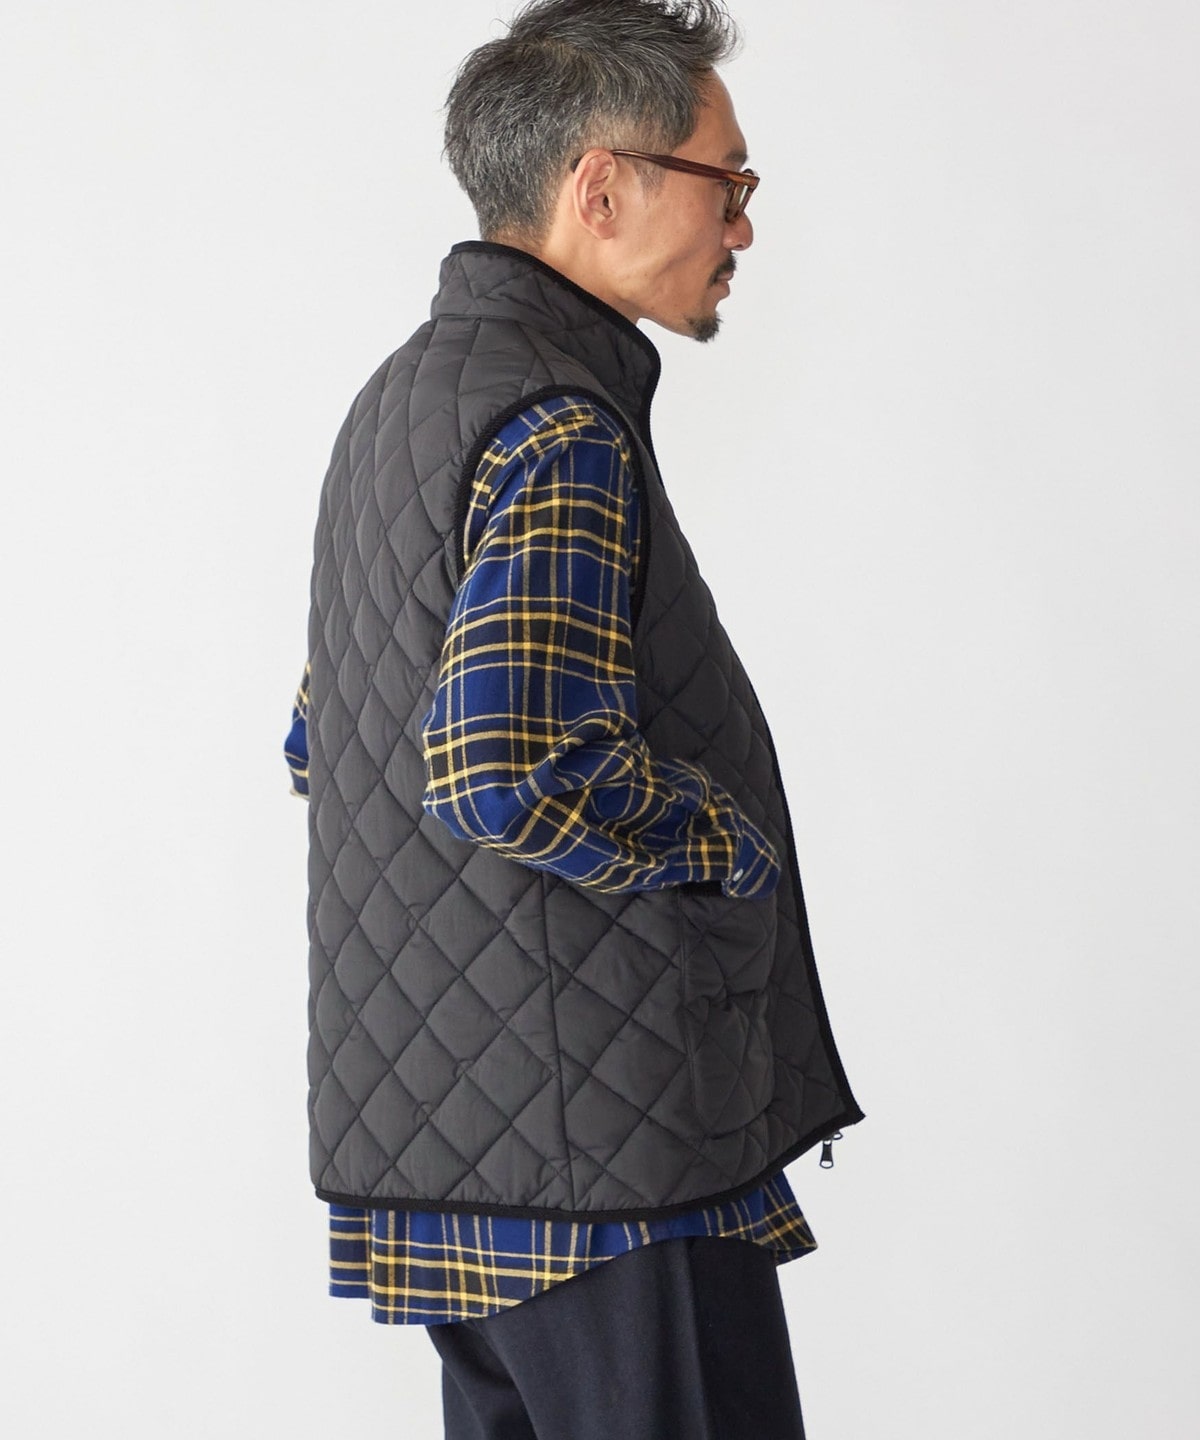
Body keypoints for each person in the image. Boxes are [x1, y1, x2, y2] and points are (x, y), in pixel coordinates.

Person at [287, 2, 862, 1435]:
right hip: (604, 1163)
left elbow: (325, 737)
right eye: (725, 180)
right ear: (600, 186)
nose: (743, 223)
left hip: (449, 1154)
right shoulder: (555, 424)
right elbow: (504, 764)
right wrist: (729, 844)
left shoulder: (397, 407)